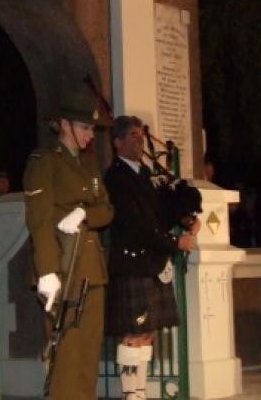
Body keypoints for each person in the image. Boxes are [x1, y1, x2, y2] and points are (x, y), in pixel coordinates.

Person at [22, 90, 114, 400]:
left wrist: (84, 212)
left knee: (88, 354)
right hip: (64, 267)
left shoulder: (90, 167)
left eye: (91, 129)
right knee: (66, 354)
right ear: (64, 125)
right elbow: (39, 220)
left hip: (92, 271)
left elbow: (107, 210)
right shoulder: (44, 161)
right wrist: (47, 271)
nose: (90, 135)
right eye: (85, 127)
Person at [104, 115, 199, 400]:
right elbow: (136, 224)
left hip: (153, 262)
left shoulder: (145, 174)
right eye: (132, 135)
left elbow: (159, 213)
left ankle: (140, 392)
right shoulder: (115, 177)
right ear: (117, 142)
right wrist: (175, 242)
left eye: (140, 135)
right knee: (133, 333)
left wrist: (186, 218)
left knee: (149, 333)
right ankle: (130, 394)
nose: (139, 140)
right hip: (133, 262)